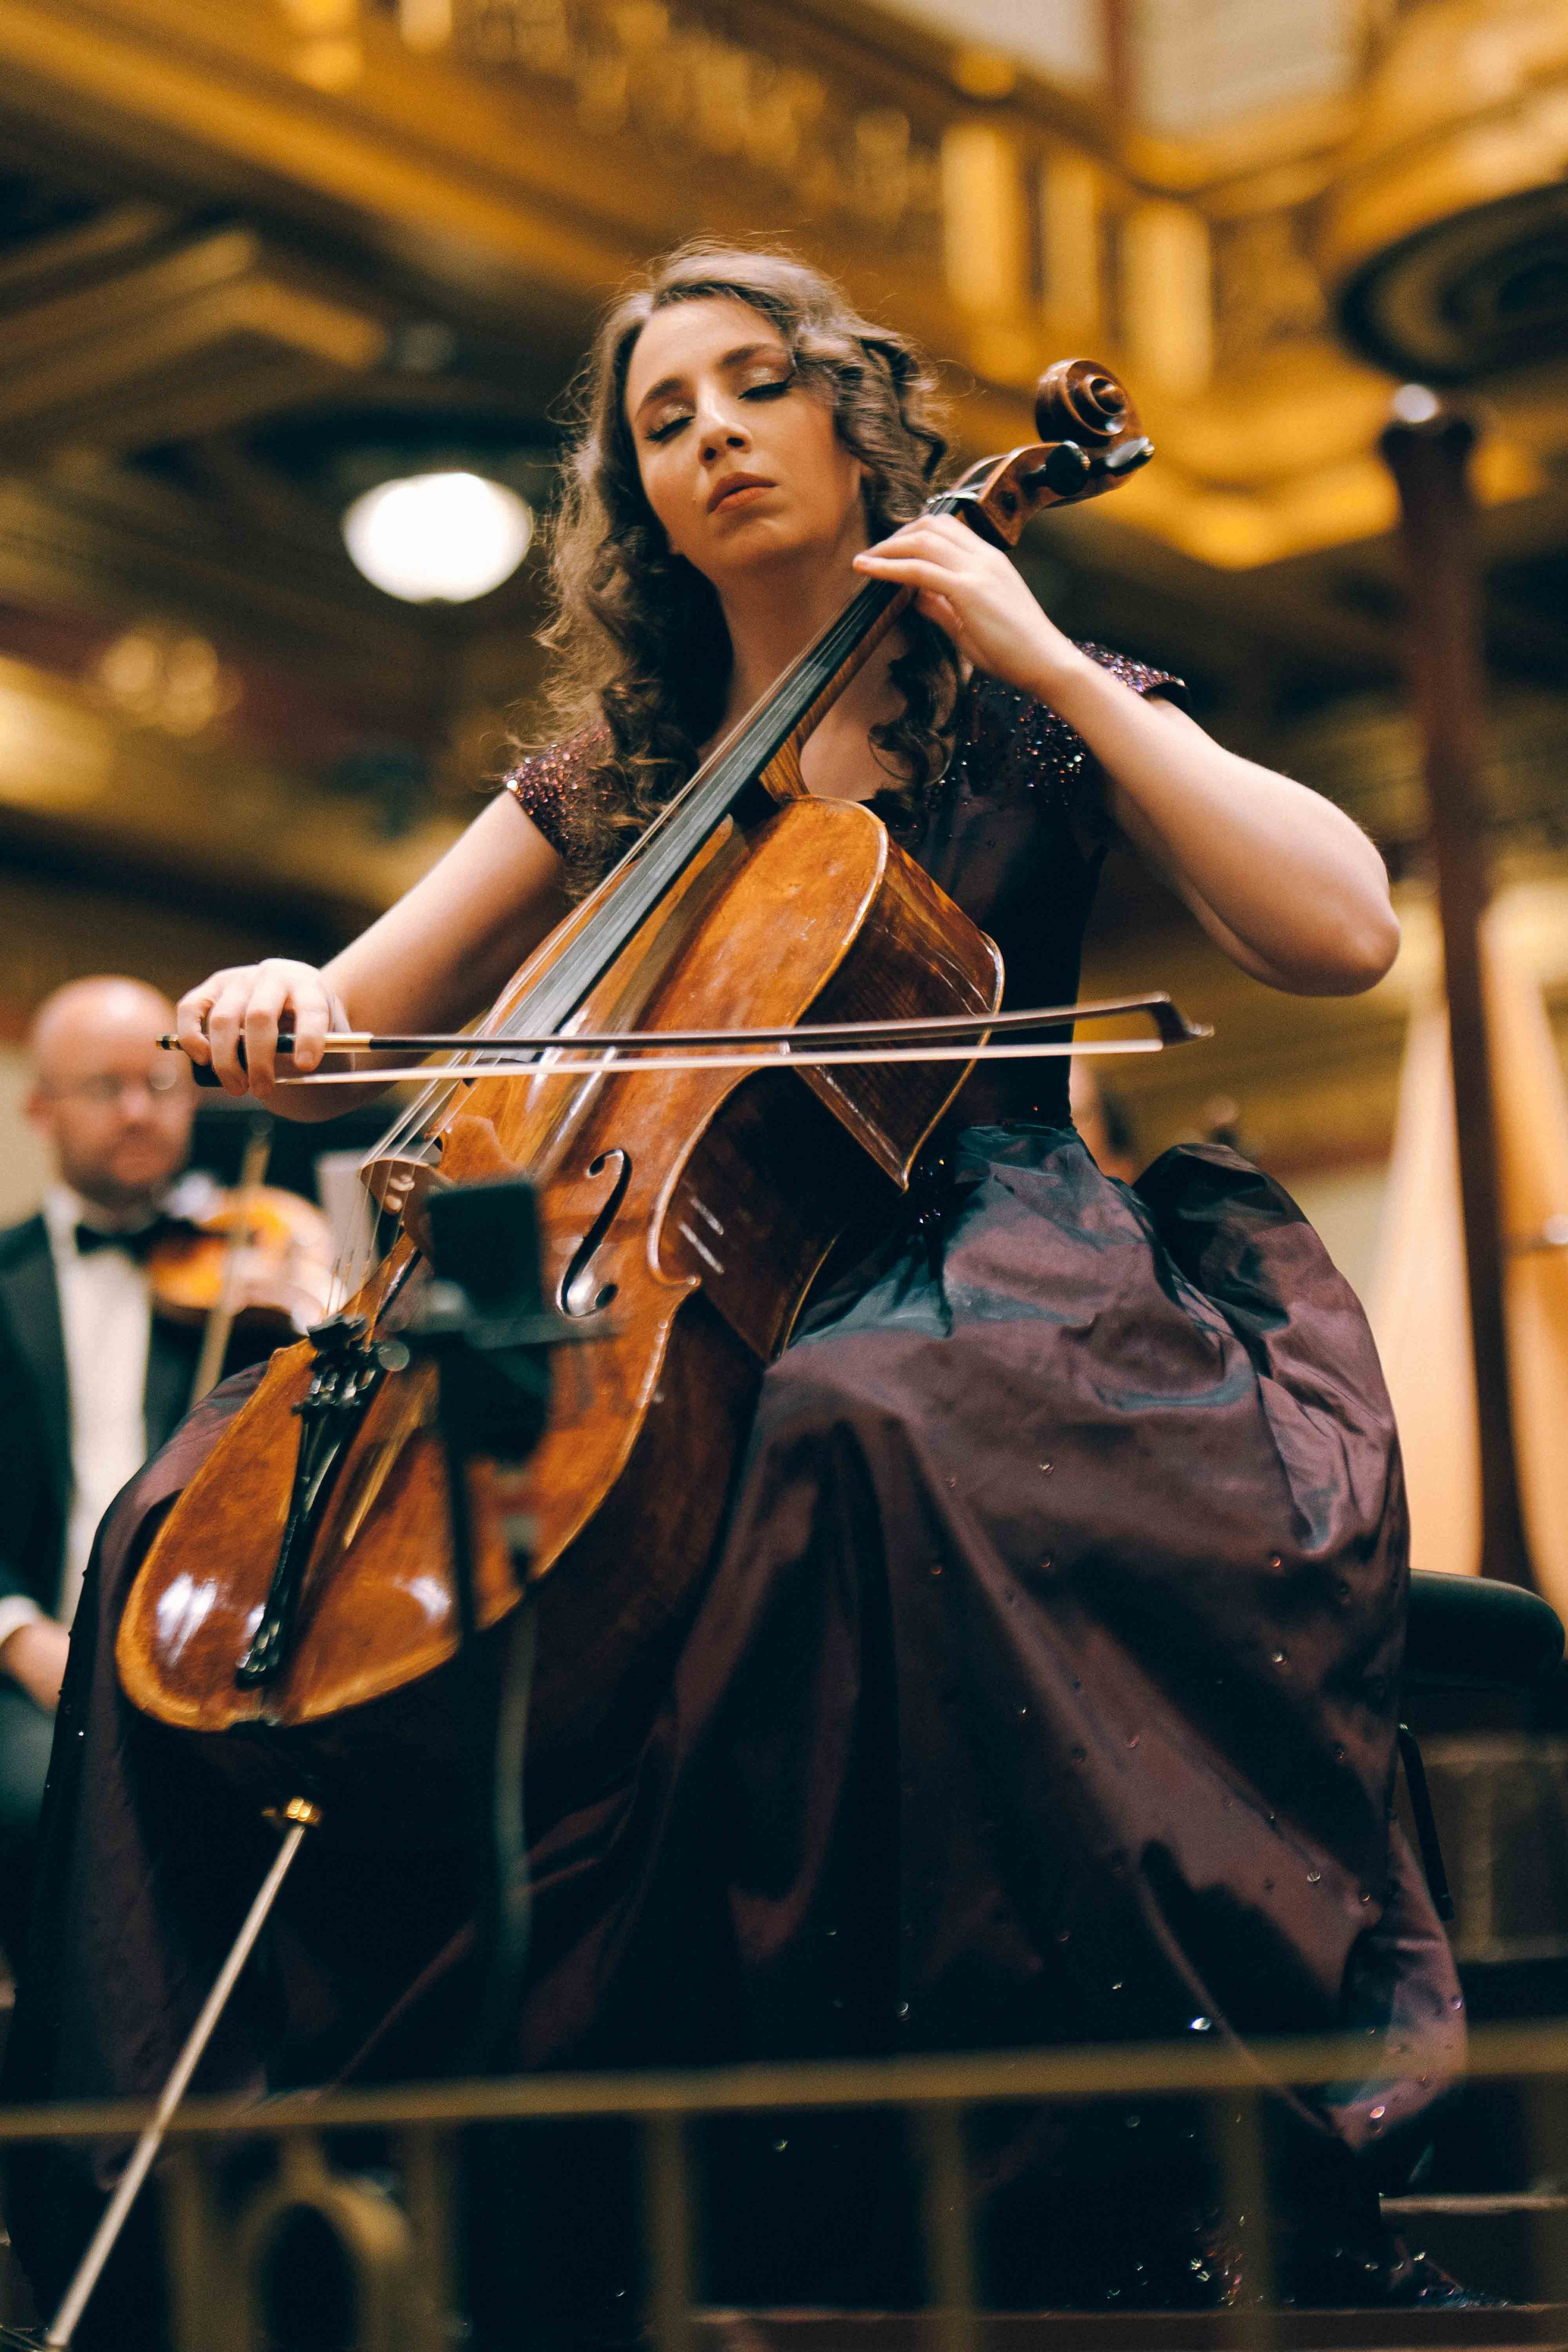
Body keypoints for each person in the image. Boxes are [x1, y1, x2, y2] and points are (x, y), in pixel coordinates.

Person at [8, 248, 1470, 2340]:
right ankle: (199, 2224)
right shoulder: (621, 763)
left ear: (850, 415)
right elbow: (357, 1013)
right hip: (644, 1261)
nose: (707, 434)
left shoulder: (1014, 704)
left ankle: (844, 2190)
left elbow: (1340, 935)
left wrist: (1049, 659)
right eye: (661, 415)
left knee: (845, 1439)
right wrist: (275, 1005)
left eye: (753, 385)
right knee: (181, 1524)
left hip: (978, 1246)